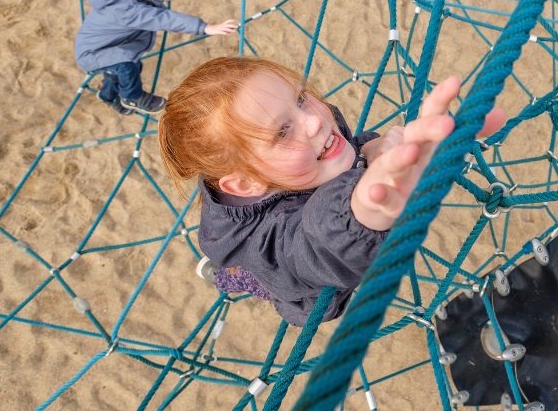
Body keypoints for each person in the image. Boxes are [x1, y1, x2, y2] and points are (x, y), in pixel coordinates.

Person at [158, 56, 505, 326]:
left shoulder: (313, 146)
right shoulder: (272, 246)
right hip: (286, 278)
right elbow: (311, 244)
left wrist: (372, 151)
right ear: (246, 184)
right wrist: (365, 209)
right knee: (252, 278)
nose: (313, 121)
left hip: (304, 215)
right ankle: (226, 275)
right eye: (281, 132)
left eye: (301, 99)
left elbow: (345, 160)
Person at [74, 0, 239, 116]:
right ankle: (132, 97)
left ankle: (108, 95)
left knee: (125, 68)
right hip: (92, 54)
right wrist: (205, 27)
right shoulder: (126, 11)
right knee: (126, 66)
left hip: (99, 46)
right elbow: (164, 19)